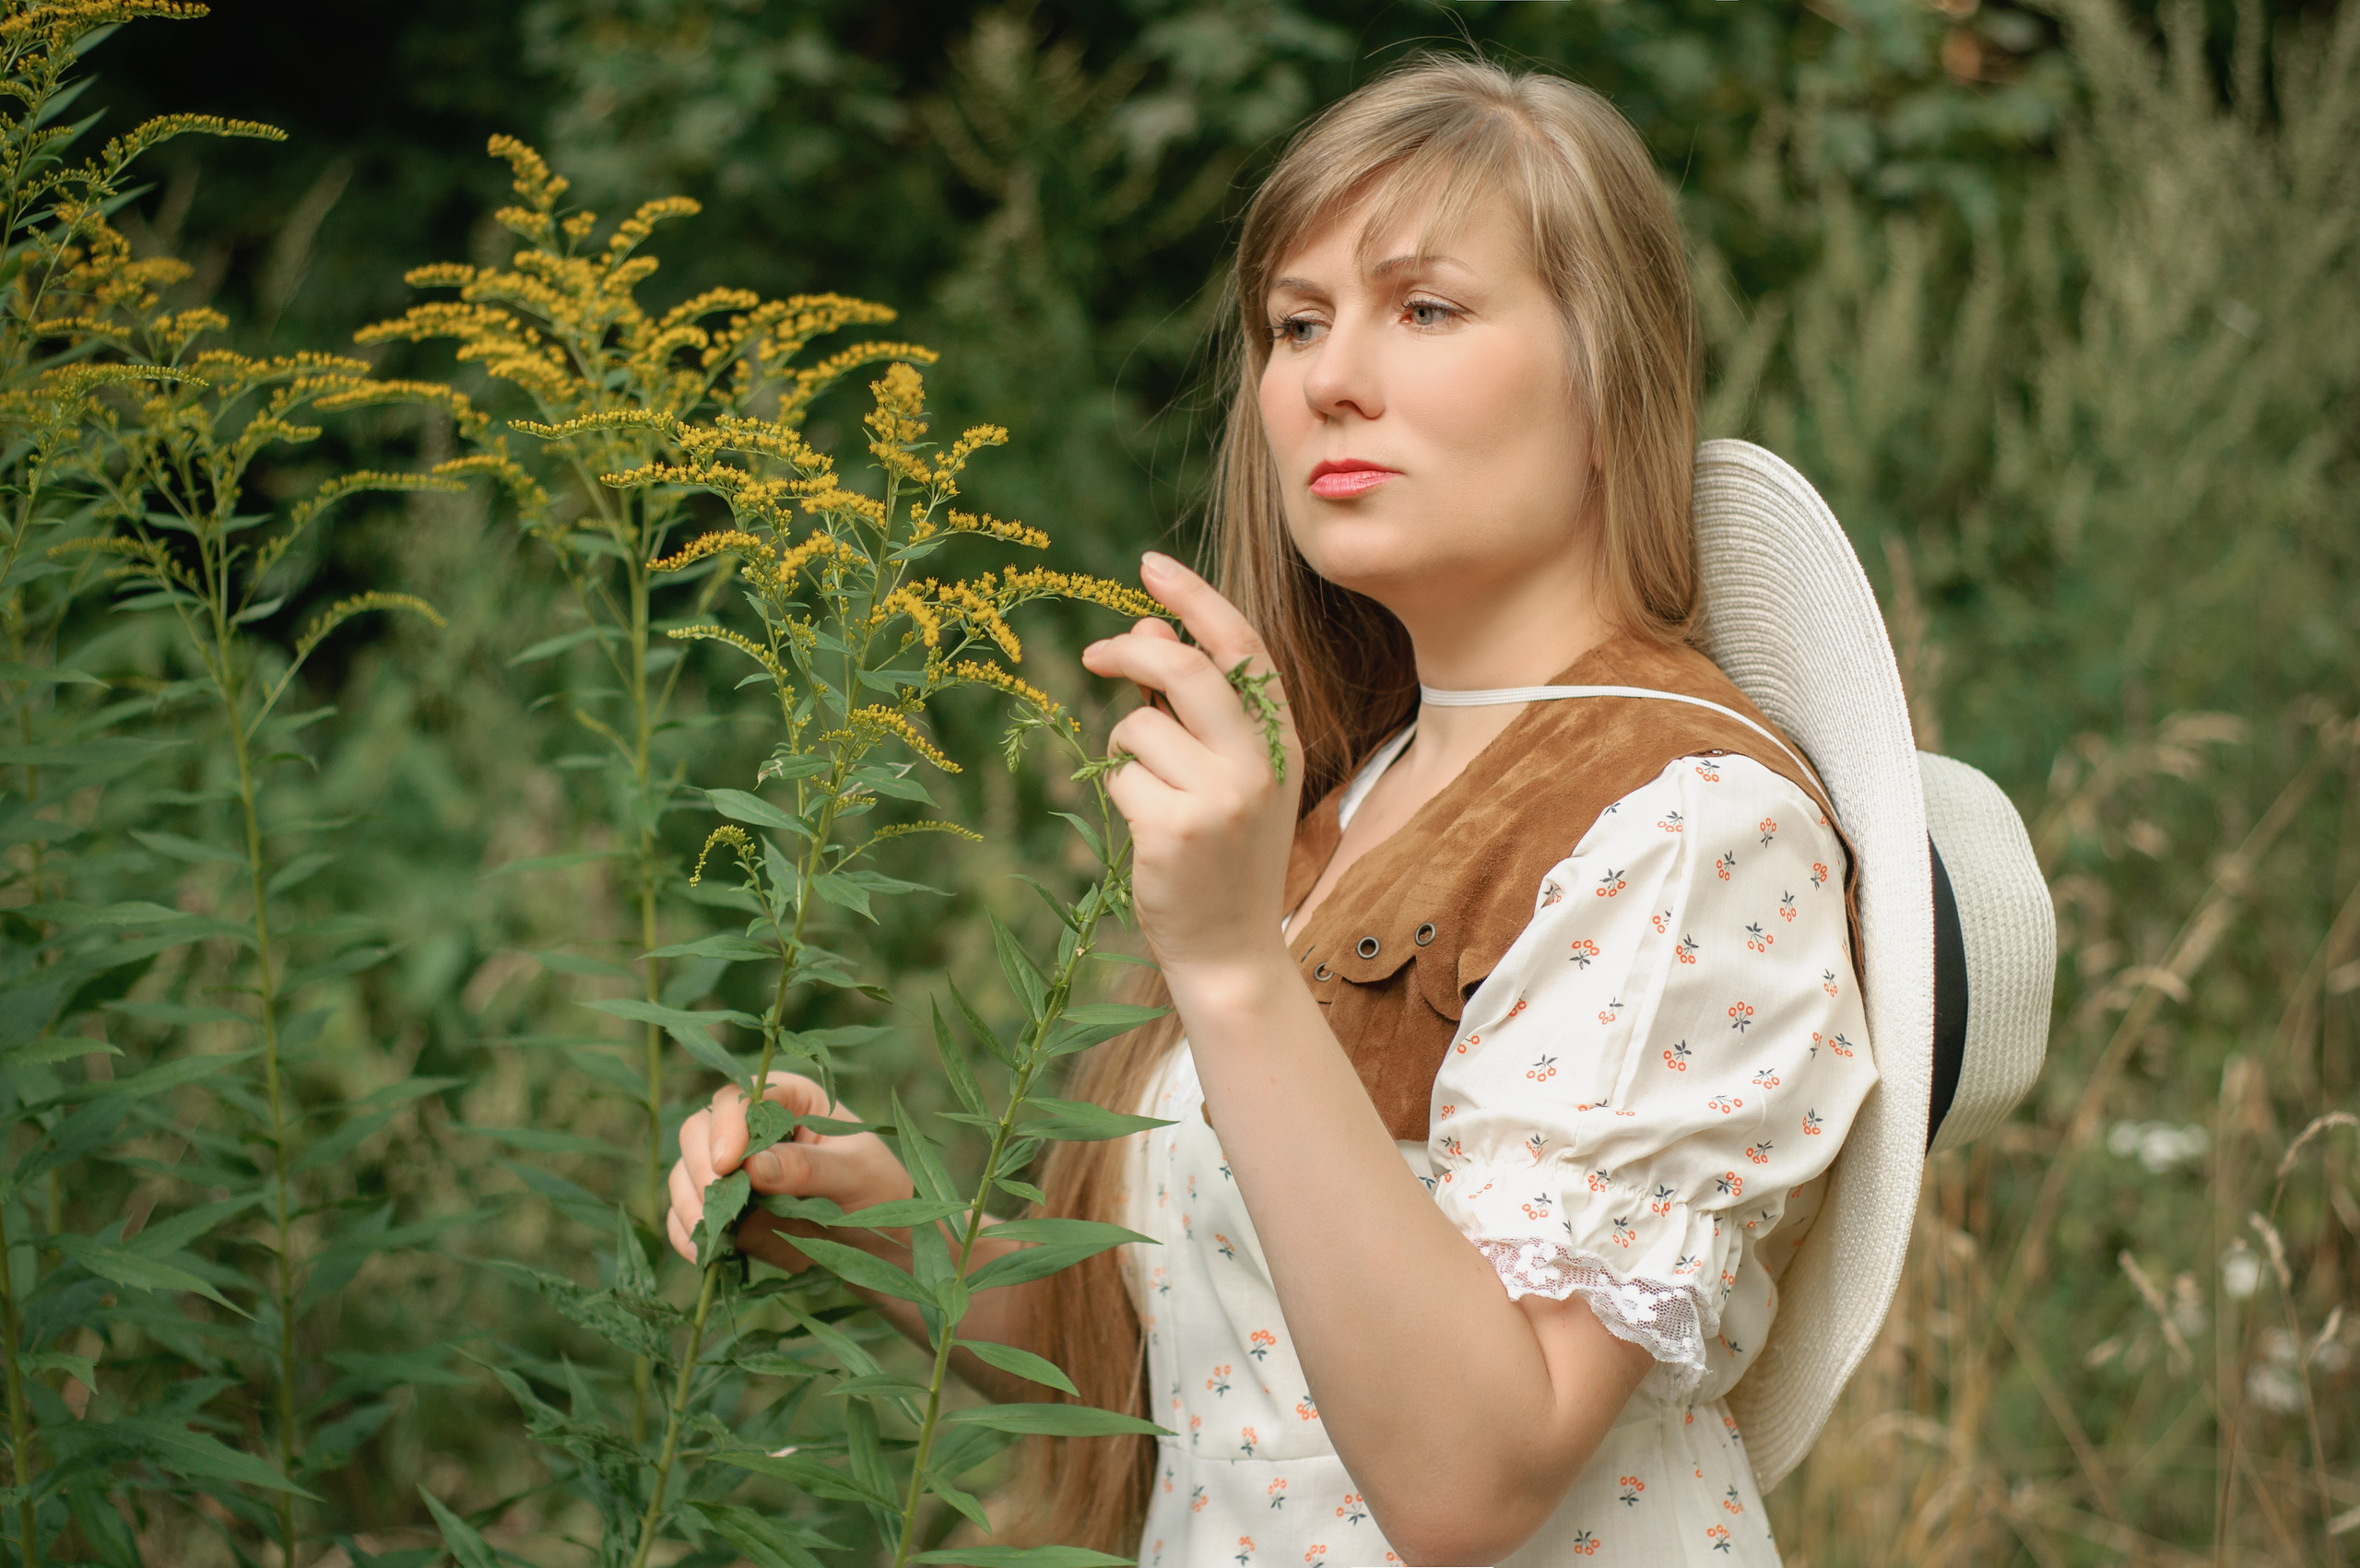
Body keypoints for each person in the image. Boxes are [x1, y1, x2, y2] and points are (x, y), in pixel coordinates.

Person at [667, 55, 1885, 1566]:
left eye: (1424, 308)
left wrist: (1235, 963)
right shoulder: (1346, 792)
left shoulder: (1694, 824)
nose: (1326, 377)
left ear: (1605, 376)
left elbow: (1469, 1476)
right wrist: (889, 1228)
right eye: (1296, 323)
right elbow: (1226, 1376)